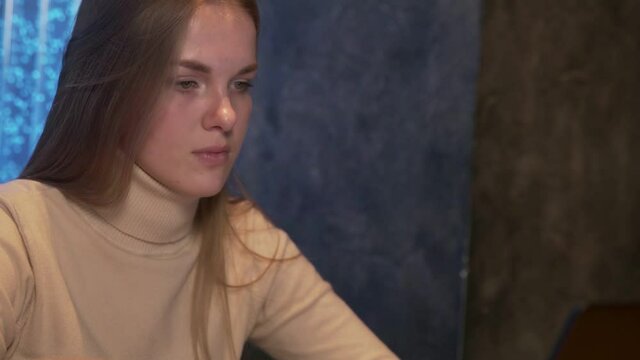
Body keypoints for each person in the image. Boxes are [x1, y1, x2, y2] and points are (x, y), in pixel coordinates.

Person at [0, 0, 398, 359]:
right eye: (187, 82)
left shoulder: (247, 247)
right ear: (109, 88)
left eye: (241, 85)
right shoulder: (17, 238)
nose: (226, 115)